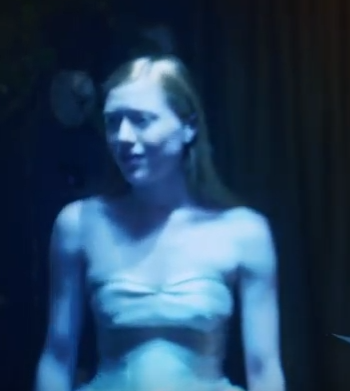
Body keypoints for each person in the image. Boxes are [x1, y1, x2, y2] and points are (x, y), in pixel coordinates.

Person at [34, 55, 286, 391]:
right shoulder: (79, 223)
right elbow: (58, 355)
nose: (123, 136)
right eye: (113, 122)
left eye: (141, 120)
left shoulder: (244, 232)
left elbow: (264, 367)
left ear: (188, 126)